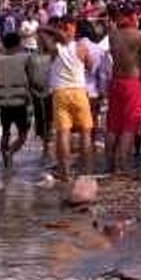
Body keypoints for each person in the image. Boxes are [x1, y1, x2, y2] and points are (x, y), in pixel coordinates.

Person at [105, 3, 141, 173]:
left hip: (115, 83)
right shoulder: (140, 36)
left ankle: (110, 165)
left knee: (113, 125)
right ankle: (122, 167)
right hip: (133, 84)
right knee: (129, 126)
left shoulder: (112, 36)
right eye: (136, 16)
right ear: (132, 17)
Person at [38, 16, 95, 179]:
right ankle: (87, 172)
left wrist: (55, 31)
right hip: (79, 91)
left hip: (60, 93)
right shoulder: (81, 46)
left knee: (63, 133)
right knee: (85, 133)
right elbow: (90, 67)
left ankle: (65, 172)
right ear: (73, 28)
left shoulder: (54, 48)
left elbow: (40, 30)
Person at [0, 31, 43, 169]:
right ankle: (11, 152)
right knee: (23, 134)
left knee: (6, 132)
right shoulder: (26, 58)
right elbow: (33, 79)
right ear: (19, 43)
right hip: (21, 102)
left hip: (3, 103)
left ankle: (6, 163)